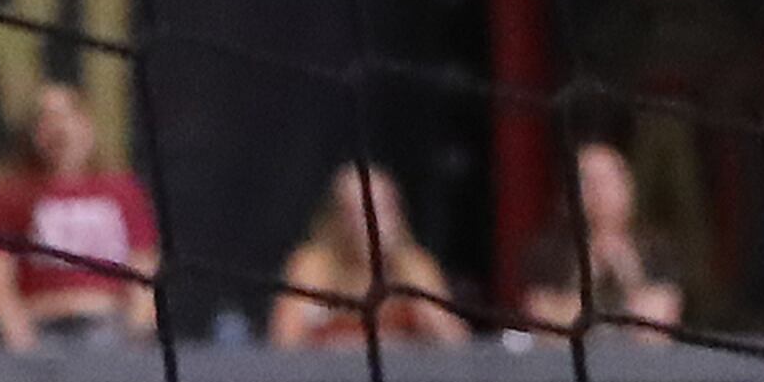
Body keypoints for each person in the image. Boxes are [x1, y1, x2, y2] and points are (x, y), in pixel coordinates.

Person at [0, 82, 157, 343]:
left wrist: (138, 335)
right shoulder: (11, 193)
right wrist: (19, 341)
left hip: (109, 326)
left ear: (87, 125)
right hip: (42, 327)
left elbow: (142, 267)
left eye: (69, 116)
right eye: (48, 119)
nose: (61, 128)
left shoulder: (122, 190)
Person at [269, 160, 472, 348]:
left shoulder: (414, 265)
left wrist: (414, 289)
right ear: (338, 219)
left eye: (385, 210)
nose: (375, 223)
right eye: (361, 212)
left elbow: (456, 344)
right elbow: (284, 344)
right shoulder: (314, 265)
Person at [518, 138, 688, 335]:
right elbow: (543, 320)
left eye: (609, 179)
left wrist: (627, 268)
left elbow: (660, 320)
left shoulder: (656, 249)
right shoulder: (547, 252)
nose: (599, 191)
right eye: (588, 180)